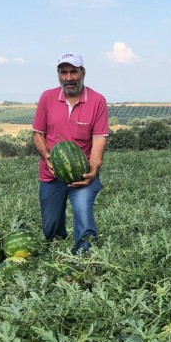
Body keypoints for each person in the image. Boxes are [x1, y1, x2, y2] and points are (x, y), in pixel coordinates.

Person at [32, 53, 109, 255]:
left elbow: (99, 138)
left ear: (82, 72)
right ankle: (57, 251)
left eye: (73, 71)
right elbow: (38, 134)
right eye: (64, 72)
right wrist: (47, 158)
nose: (69, 77)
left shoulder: (97, 100)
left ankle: (85, 256)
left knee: (83, 211)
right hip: (51, 175)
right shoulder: (47, 98)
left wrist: (93, 170)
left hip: (82, 173)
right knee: (51, 224)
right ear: (58, 74)